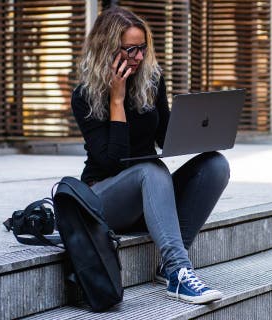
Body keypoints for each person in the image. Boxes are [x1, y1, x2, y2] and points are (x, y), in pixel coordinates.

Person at [71, 6, 229, 305]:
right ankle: (179, 273)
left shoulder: (152, 81)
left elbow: (164, 138)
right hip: (104, 200)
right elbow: (110, 161)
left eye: (142, 48)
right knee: (151, 170)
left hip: (148, 196)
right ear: (107, 49)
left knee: (215, 165)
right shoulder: (84, 96)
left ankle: (168, 263)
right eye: (131, 50)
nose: (140, 57)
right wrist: (117, 99)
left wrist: (198, 127)